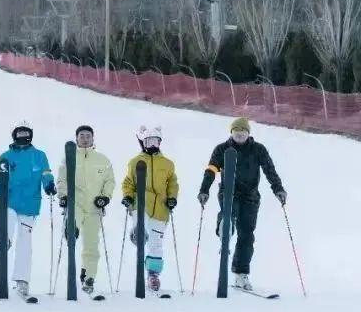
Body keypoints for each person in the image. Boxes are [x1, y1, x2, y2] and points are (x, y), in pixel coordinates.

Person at [197, 117, 285, 292]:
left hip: (251, 196)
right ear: (231, 133)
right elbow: (211, 170)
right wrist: (204, 190)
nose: (239, 136)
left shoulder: (258, 149)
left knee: (247, 235)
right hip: (229, 192)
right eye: (236, 133)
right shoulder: (222, 149)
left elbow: (269, 170)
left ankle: (240, 273)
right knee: (229, 213)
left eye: (243, 133)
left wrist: (278, 189)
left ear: (248, 133)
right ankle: (225, 227)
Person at [0, 121, 55, 299]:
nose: (23, 136)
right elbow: (0, 177)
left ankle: (22, 281)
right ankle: (3, 238)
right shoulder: (7, 156)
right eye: (20, 133)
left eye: (26, 133)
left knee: (25, 241)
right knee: (8, 223)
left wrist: (49, 185)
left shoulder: (39, 155)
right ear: (14, 135)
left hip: (30, 205)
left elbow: (46, 173)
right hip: (10, 201)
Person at [56, 125, 115, 295]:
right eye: (81, 135)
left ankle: (88, 276)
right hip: (76, 203)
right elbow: (62, 179)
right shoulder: (69, 157)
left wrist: (105, 197)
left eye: (88, 135)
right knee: (73, 230)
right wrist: (64, 196)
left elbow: (110, 181)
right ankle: (70, 229)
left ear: (93, 138)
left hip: (94, 206)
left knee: (91, 244)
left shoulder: (102, 159)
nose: (85, 138)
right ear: (76, 138)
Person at [121, 126, 178, 295]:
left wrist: (172, 197)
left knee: (156, 243)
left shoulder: (167, 164)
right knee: (142, 230)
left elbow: (173, 183)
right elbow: (128, 182)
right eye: (148, 141)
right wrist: (128, 196)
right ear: (143, 142)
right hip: (141, 203)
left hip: (160, 208)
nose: (152, 144)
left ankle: (153, 274)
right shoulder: (135, 161)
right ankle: (138, 232)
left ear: (160, 142)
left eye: (155, 141)